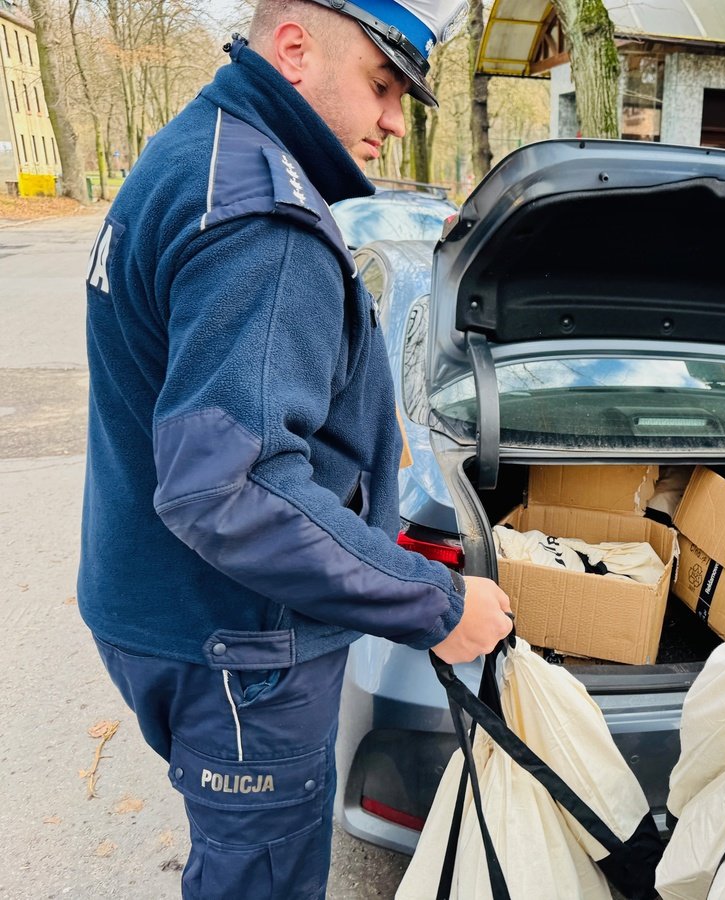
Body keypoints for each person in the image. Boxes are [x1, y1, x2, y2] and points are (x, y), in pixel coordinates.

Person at [76, 2, 511, 896]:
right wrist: (436, 600)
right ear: (295, 47)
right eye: (382, 86)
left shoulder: (197, 156)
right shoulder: (265, 221)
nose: (396, 120)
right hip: (241, 648)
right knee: (263, 879)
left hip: (167, 613)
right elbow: (228, 489)